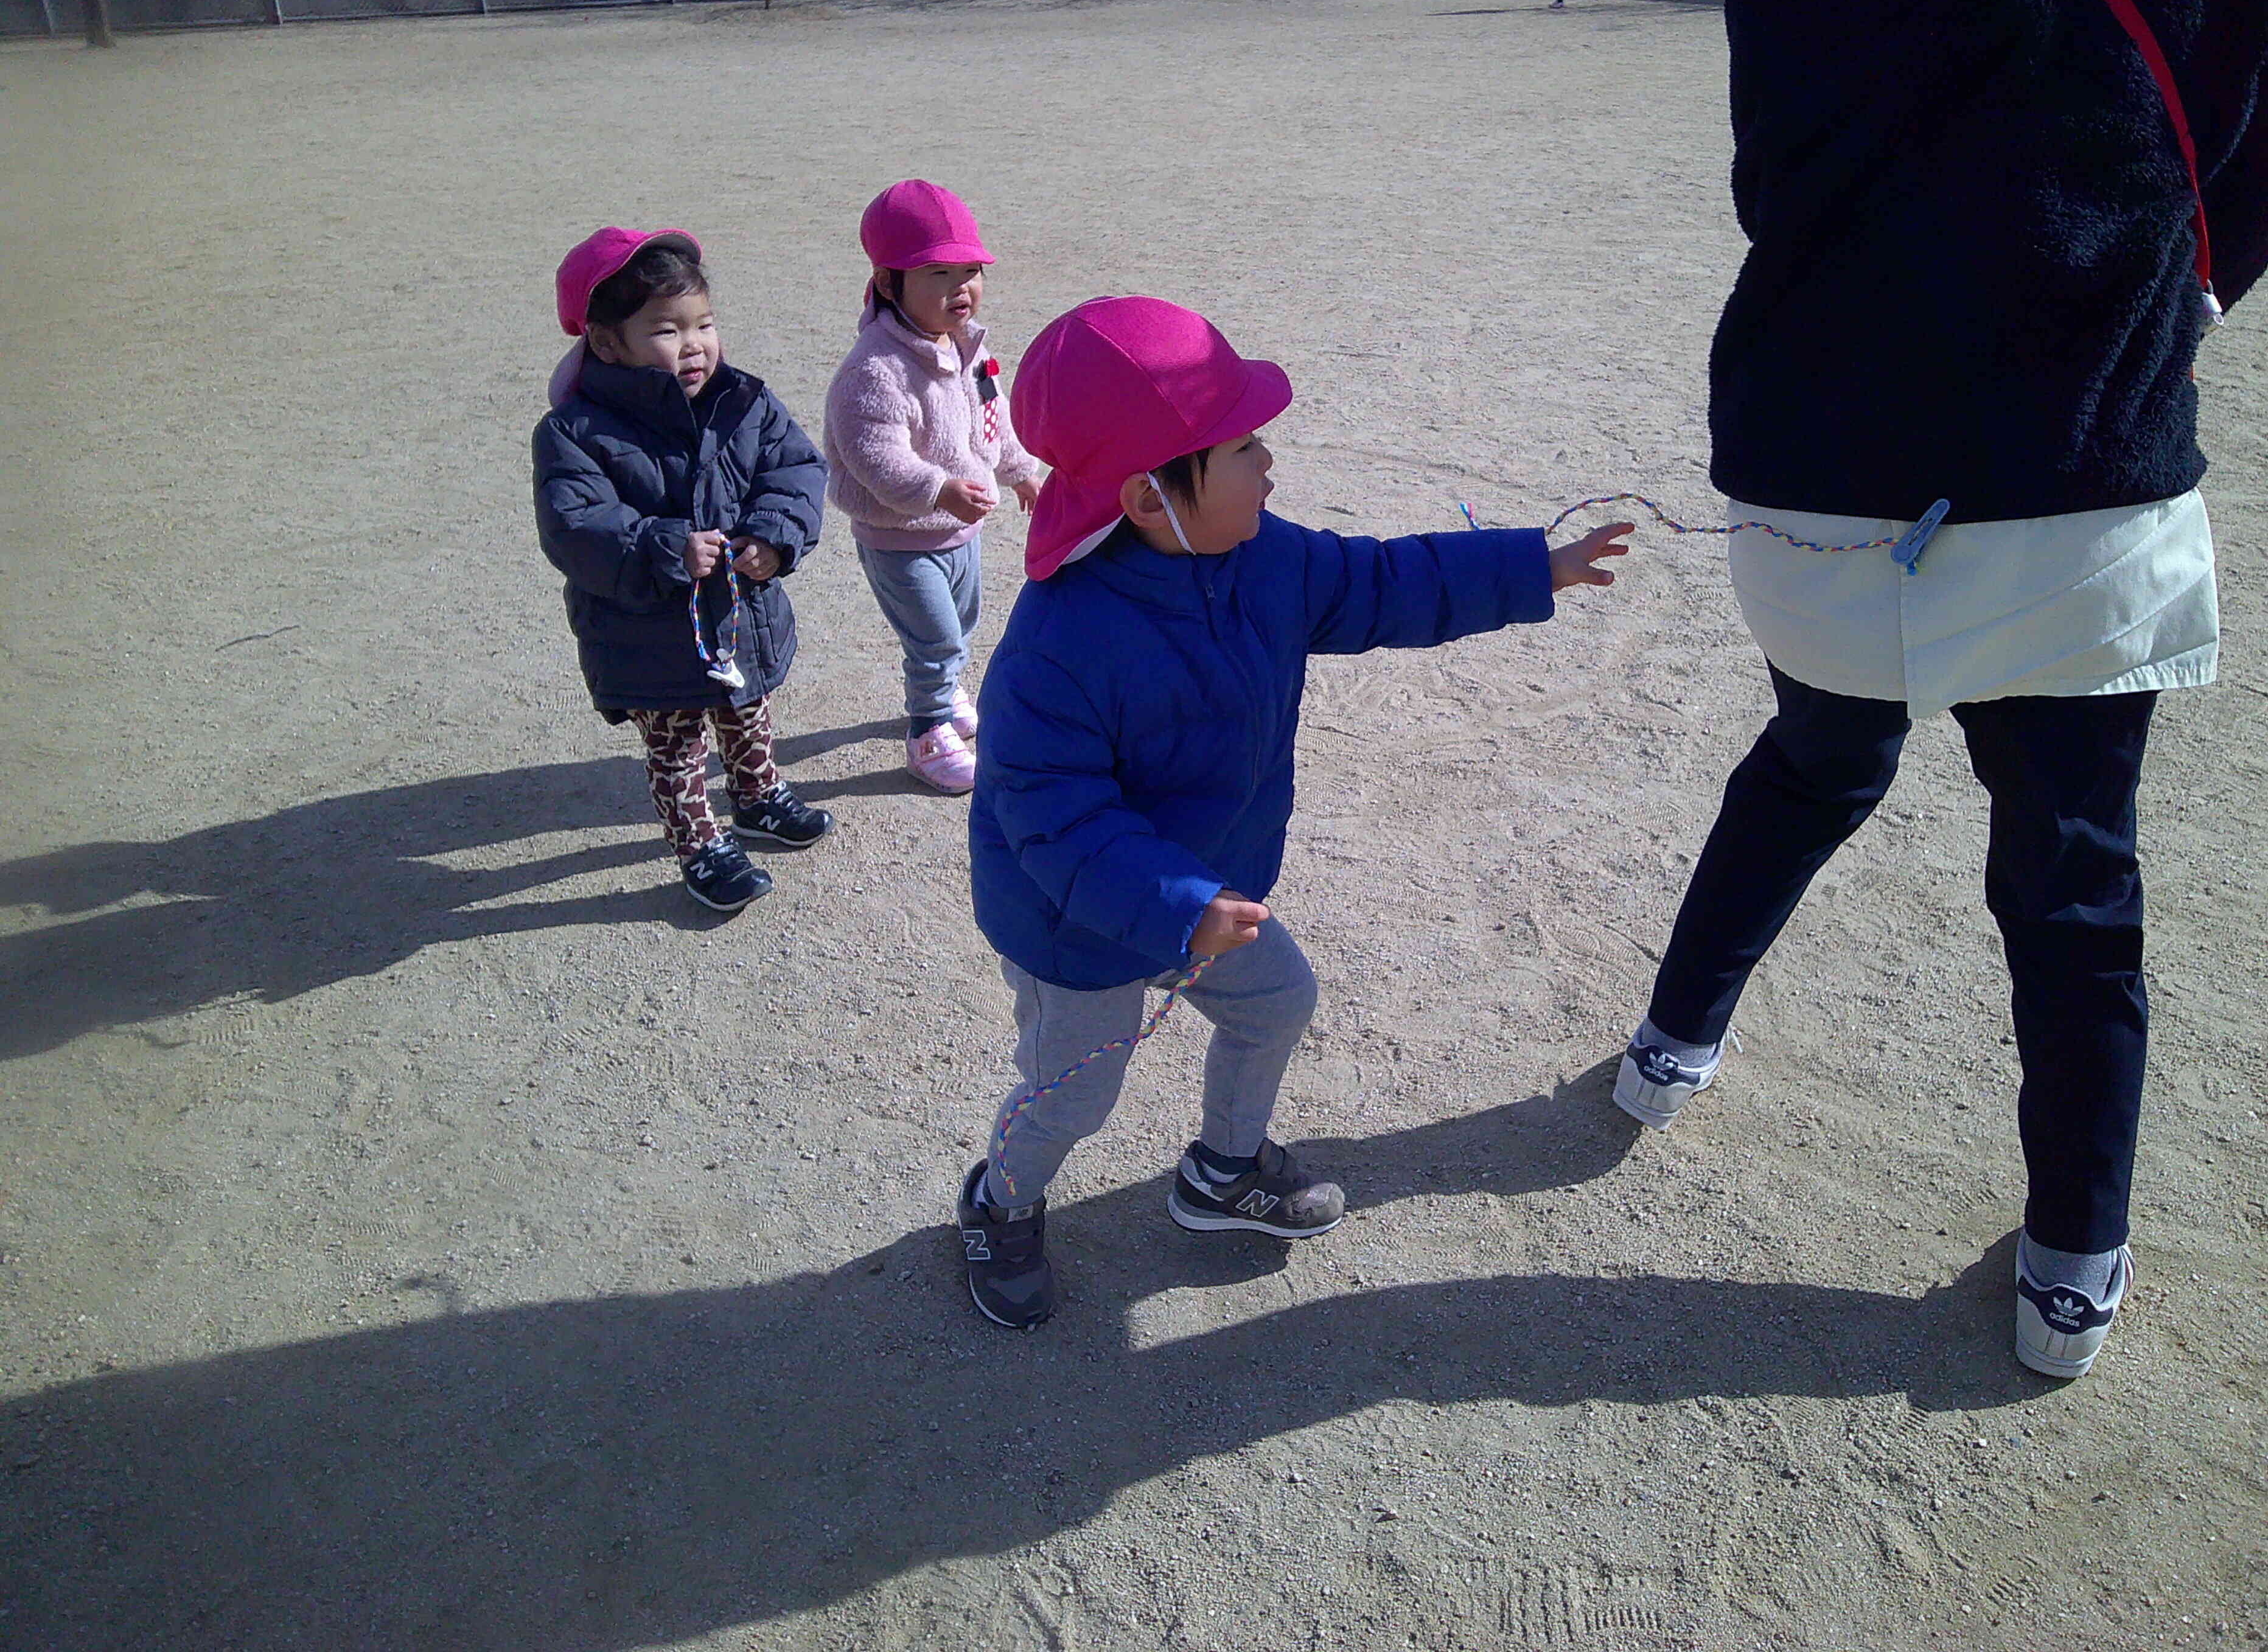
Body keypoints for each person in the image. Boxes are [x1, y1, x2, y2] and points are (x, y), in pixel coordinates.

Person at [1611, 0, 2268, 1377]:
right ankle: (2070, 1263)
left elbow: (1773, 180)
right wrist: (2165, 306)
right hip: (2080, 473)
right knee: (2070, 877)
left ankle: (1669, 1045)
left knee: (1814, 762)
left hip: (1819, 471)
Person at [955, 296, 1635, 1329]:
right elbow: (1055, 821)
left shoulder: (1265, 557)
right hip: (1079, 923)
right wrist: (1178, 906)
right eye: (1240, 446)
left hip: (1206, 892)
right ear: (1150, 496)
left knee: (1276, 1003)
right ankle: (998, 1203)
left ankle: (1224, 1173)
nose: (1268, 460)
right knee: (1073, 1096)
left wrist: (1525, 568)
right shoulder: (1060, 645)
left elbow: (1383, 582)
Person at [533, 228, 836, 913]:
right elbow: (574, 527)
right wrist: (665, 547)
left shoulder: (744, 403)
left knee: (747, 709)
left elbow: (794, 470)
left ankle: (757, 796)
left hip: (737, 614)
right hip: (648, 632)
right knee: (675, 746)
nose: (694, 343)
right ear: (607, 343)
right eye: (666, 330)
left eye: (704, 323)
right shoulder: (575, 433)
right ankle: (698, 842)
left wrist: (773, 539)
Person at [824, 179, 1044, 795]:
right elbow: (874, 457)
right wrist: (939, 489)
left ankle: (943, 694)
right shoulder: (874, 370)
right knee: (935, 636)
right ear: (889, 284)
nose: (962, 289)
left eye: (971, 271)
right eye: (938, 275)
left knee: (960, 623)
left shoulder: (970, 350)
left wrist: (1020, 471)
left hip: (960, 529)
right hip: (898, 535)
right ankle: (926, 733)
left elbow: (989, 418)